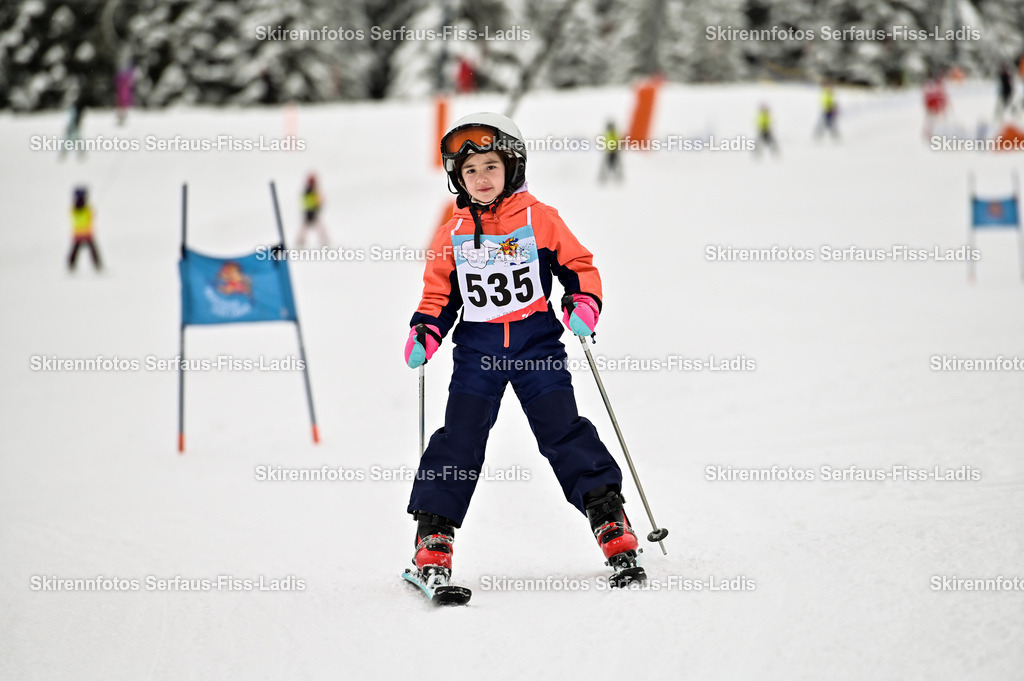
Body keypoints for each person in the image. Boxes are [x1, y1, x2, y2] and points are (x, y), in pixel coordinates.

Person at [403, 112, 643, 589]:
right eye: (470, 171)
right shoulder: (451, 232)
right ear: (458, 178)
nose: (481, 178)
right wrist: (427, 329)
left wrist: (583, 302)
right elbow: (439, 293)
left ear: (511, 167)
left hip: (536, 343)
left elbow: (578, 266)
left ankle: (609, 518)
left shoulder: (539, 218)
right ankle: (434, 535)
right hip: (478, 349)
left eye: (491, 167)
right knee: (460, 438)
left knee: (563, 430)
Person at [68, 187, 102, 272]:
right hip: (87, 233)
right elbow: (90, 217)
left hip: (78, 234)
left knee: (75, 251)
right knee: (93, 251)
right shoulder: (86, 208)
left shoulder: (74, 208)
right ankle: (97, 265)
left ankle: (71, 265)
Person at [296, 174, 328, 247]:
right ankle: (300, 240)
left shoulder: (312, 191)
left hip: (312, 211)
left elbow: (317, 201)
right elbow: (310, 202)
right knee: (309, 226)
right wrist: (316, 206)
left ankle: (301, 240)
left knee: (315, 226)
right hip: (310, 212)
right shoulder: (309, 191)